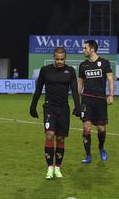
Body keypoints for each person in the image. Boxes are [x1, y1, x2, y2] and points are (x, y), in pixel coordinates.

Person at [29, 47, 81, 179]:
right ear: (54, 58)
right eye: (57, 59)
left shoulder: (70, 71)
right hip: (49, 108)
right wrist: (33, 106)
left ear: (65, 58)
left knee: (60, 138)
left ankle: (57, 167)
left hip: (63, 109)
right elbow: (39, 89)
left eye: (62, 59)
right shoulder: (45, 70)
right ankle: (49, 168)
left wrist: (78, 106)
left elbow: (74, 90)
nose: (59, 61)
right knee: (50, 135)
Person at [78, 40, 114, 164]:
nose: (83, 50)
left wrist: (111, 95)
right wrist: (77, 100)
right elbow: (81, 82)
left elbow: (110, 79)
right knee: (86, 126)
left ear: (92, 49)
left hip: (100, 100)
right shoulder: (83, 65)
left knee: (101, 128)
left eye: (85, 48)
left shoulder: (104, 63)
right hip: (87, 99)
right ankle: (88, 155)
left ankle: (101, 147)